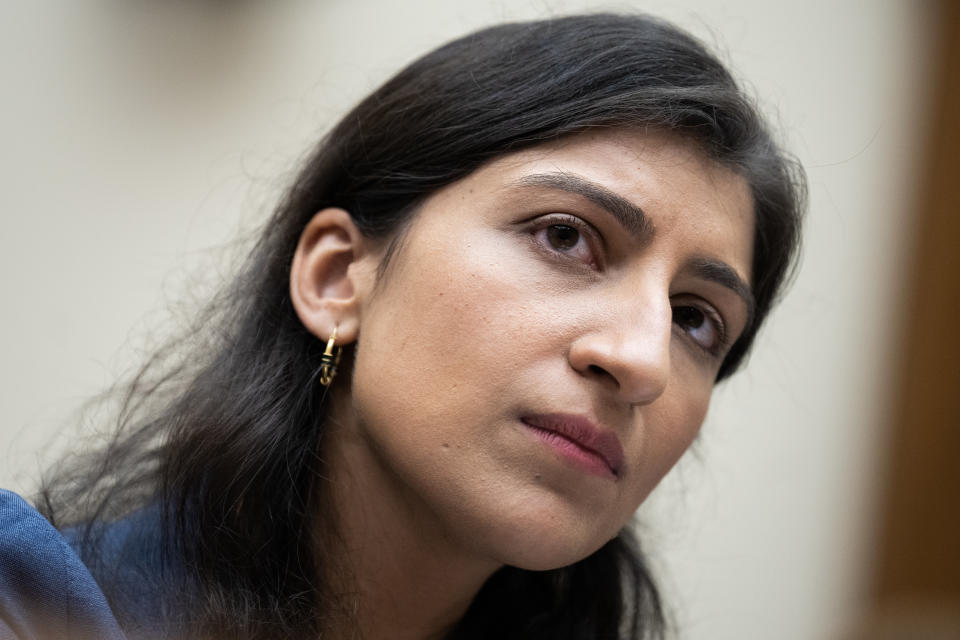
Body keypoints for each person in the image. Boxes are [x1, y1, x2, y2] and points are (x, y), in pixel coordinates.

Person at [0, 12, 805, 640]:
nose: (641, 359)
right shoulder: (34, 603)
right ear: (336, 278)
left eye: (696, 321)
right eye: (565, 236)